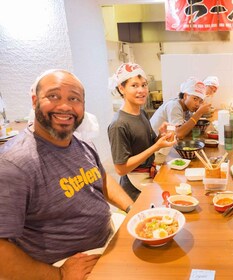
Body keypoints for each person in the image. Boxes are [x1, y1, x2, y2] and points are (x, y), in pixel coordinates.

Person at [0, 69, 134, 280]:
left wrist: (132, 209)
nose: (65, 106)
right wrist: (59, 274)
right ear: (34, 100)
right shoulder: (13, 164)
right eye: (53, 96)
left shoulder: (83, 143)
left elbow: (103, 179)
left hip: (106, 239)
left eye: (74, 98)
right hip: (64, 264)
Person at [108, 63, 176, 201]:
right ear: (122, 88)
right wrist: (156, 147)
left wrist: (160, 137)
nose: (142, 90)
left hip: (149, 177)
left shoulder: (142, 113)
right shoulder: (118, 124)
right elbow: (121, 169)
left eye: (144, 85)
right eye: (134, 85)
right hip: (134, 189)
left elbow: (147, 146)